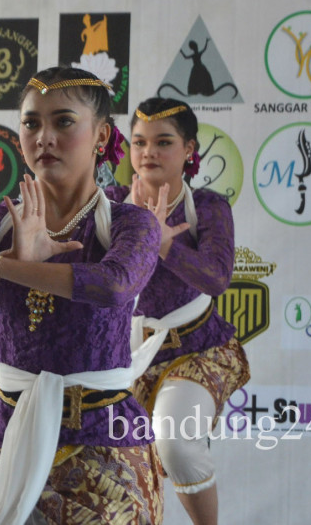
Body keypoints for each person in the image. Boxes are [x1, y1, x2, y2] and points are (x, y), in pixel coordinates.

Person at [0, 67, 164, 524]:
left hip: (103, 444)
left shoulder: (129, 223)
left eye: (63, 122)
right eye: (31, 123)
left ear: (101, 135)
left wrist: (4, 267)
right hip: (9, 437)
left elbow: (114, 285)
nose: (43, 137)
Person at [106, 97, 250, 525]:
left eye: (163, 142)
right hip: (123, 358)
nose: (148, 152)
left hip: (197, 348)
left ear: (189, 150)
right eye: (139, 142)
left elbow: (217, 278)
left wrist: (165, 243)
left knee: (177, 443)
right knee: (112, 464)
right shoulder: (109, 203)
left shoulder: (206, 207)